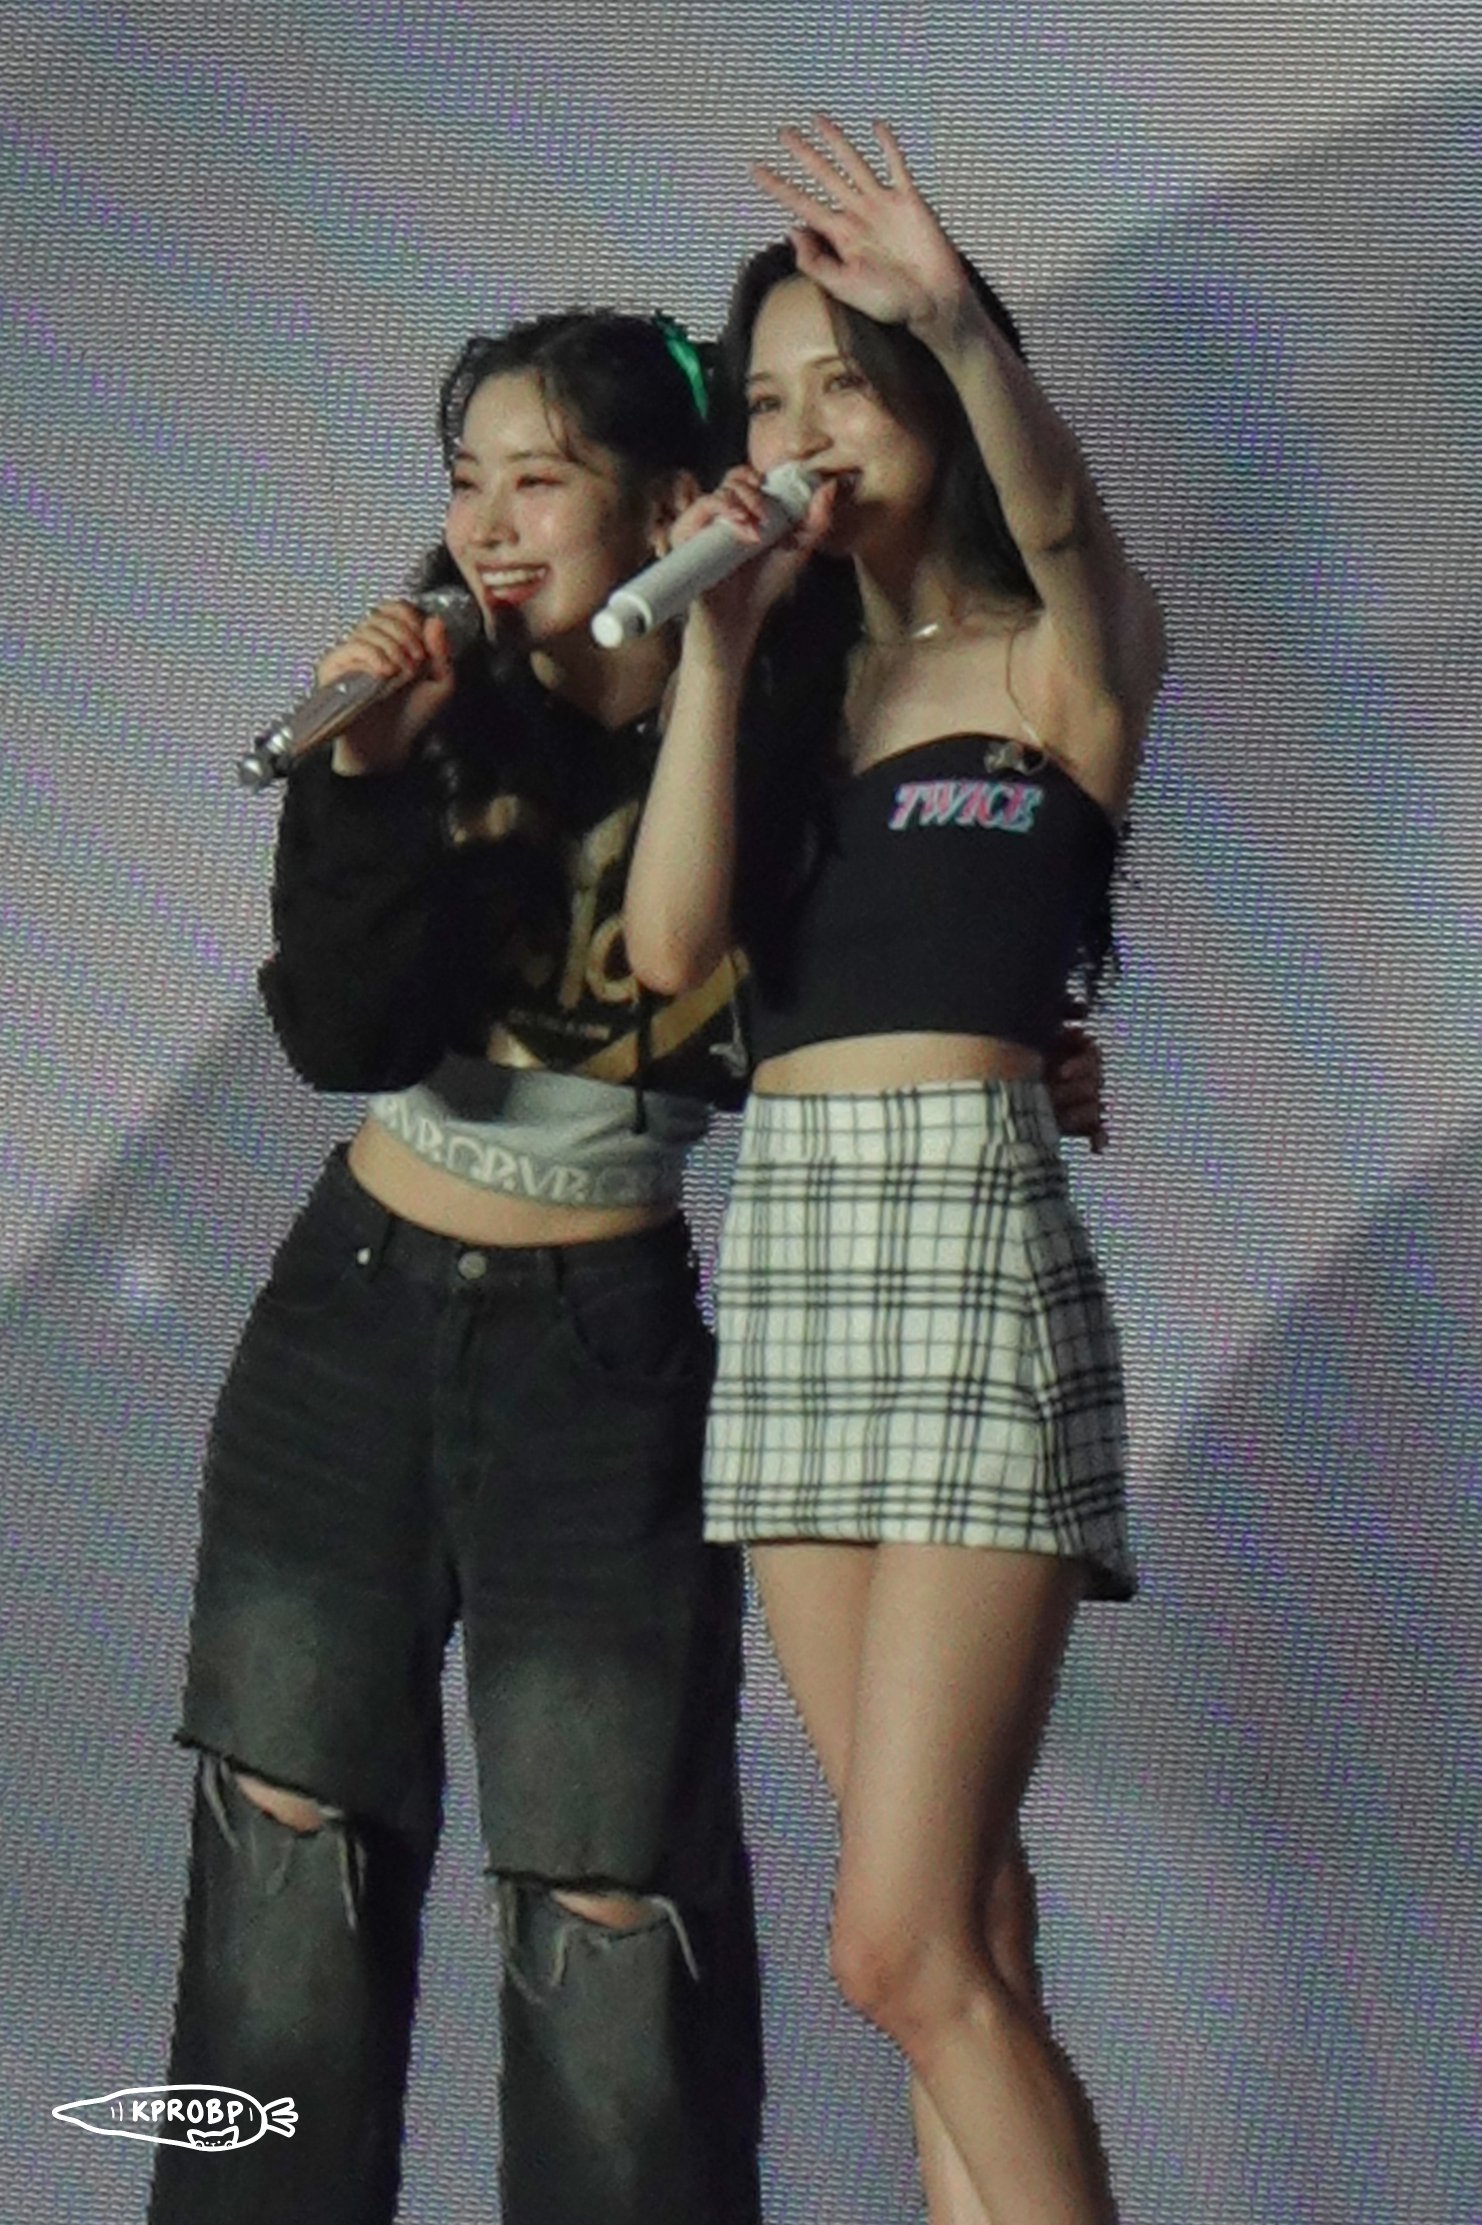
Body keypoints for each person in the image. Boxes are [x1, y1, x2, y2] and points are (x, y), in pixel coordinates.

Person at [148, 310, 765, 2225]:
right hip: (355, 1306)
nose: (491, 525)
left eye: (540, 479)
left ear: (665, 501)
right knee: (284, 1862)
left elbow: (760, 996)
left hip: (598, 1353)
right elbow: (344, 1032)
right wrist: (362, 783)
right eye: (466, 481)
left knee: (609, 1906)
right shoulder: (441, 719)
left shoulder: (770, 721)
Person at [626, 117, 1165, 2225]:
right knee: (964, 1925)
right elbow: (671, 952)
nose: (804, 432)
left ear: (936, 388)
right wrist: (715, 656)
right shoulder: (788, 697)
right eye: (768, 401)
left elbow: (1070, 535)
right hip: (791, 1268)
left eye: (847, 381)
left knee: (900, 1944)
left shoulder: (1060, 655)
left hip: (959, 1247)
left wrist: (948, 310)